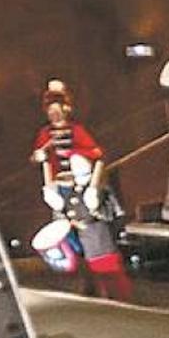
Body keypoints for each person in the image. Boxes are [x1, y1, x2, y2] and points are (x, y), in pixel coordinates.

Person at [34, 95, 131, 302]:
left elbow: (96, 153)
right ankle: (86, 284)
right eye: (50, 111)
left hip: (83, 186)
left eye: (57, 110)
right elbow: (38, 157)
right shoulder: (45, 134)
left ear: (66, 109)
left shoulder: (76, 130)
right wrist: (41, 157)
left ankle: (112, 289)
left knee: (96, 239)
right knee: (69, 241)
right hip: (60, 190)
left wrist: (77, 157)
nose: (54, 115)